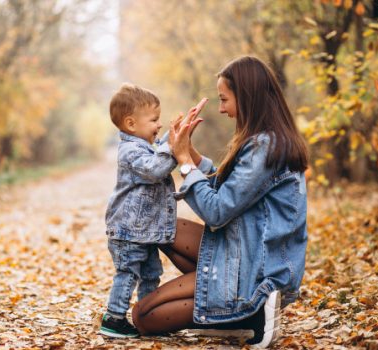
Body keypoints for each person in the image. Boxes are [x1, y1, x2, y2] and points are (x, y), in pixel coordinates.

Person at [132, 56, 309, 349]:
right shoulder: (268, 141)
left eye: (224, 99)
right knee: (160, 225)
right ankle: (235, 317)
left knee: (143, 317)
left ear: (246, 96)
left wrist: (185, 162)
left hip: (256, 274)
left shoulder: (266, 147)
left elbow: (216, 211)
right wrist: (188, 151)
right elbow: (227, 189)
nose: (221, 108)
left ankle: (250, 313)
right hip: (245, 254)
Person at [99, 83, 178, 338]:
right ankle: (114, 318)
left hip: (142, 232)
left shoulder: (145, 146)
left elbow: (158, 155)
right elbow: (156, 169)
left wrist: (175, 136)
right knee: (128, 273)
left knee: (151, 273)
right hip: (127, 231)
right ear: (131, 124)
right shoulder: (130, 151)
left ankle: (148, 318)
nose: (159, 125)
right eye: (154, 120)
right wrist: (173, 147)